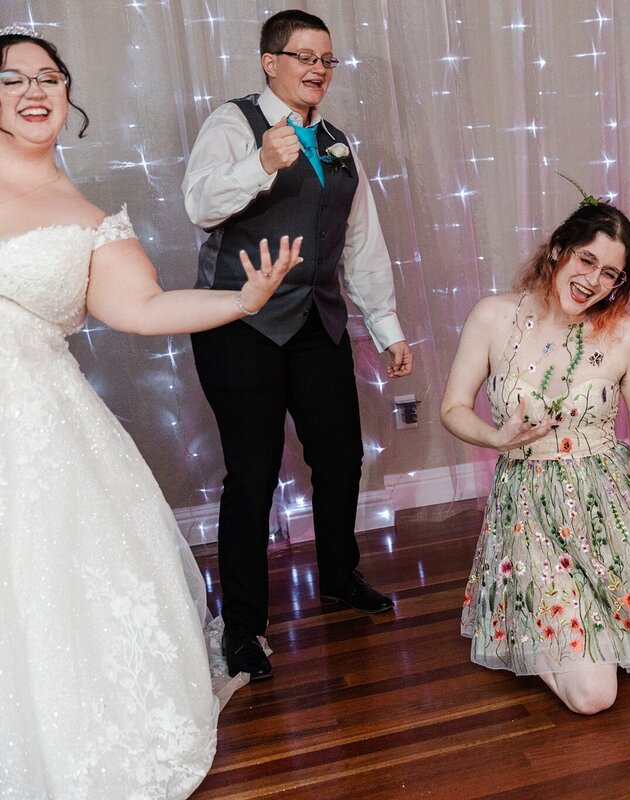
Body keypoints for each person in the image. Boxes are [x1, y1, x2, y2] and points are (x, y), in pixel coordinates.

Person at [0, 28, 303, 798]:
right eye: (11, 80)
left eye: (49, 77)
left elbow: (143, 307)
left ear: (69, 96)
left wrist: (242, 299)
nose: (34, 91)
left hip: (37, 432)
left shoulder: (85, 214)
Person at [441, 199, 630, 714]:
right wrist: (496, 439)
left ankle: (601, 622)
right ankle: (536, 628)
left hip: (614, 499)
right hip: (531, 507)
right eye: (586, 260)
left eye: (611, 274)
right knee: (593, 697)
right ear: (559, 250)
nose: (594, 281)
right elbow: (453, 407)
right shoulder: (494, 316)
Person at [184, 10, 413, 681]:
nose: (318, 69)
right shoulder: (233, 123)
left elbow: (362, 240)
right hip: (239, 323)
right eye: (303, 55)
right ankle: (244, 628)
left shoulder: (339, 142)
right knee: (251, 479)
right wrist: (259, 163)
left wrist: (387, 327)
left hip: (318, 322)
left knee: (341, 458)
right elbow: (199, 205)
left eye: (327, 59)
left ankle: (340, 576)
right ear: (269, 60)